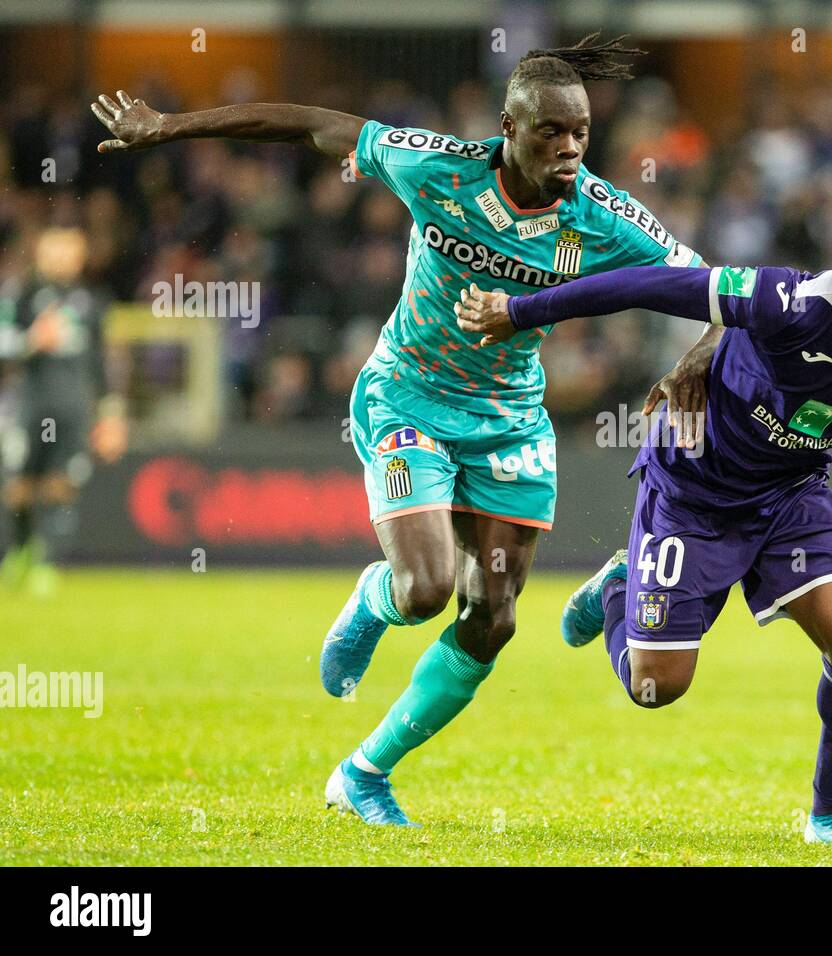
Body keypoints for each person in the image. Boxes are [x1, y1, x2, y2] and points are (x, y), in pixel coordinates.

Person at [91, 33, 720, 826]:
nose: (569, 149)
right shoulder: (435, 164)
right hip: (408, 399)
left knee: (492, 618)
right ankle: (372, 600)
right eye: (550, 133)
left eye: (582, 134)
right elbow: (307, 123)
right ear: (507, 128)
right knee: (423, 591)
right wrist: (168, 125)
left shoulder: (601, 216)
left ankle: (364, 772)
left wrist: (694, 362)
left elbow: (719, 292)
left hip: (511, 421)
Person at [457, 200, 832, 847]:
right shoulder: (791, 301)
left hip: (788, 494)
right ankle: (618, 590)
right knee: (654, 688)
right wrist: (520, 311)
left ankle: (830, 814)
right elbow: (652, 284)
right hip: (691, 487)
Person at [0, 226, 127, 596]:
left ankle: (45, 563)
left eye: (69, 252)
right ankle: (19, 551)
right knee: (18, 487)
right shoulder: (22, 295)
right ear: (40, 253)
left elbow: (103, 364)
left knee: (61, 485)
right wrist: (31, 340)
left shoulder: (93, 301)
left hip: (73, 408)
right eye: (54, 251)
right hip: (30, 404)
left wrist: (111, 414)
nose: (61, 258)